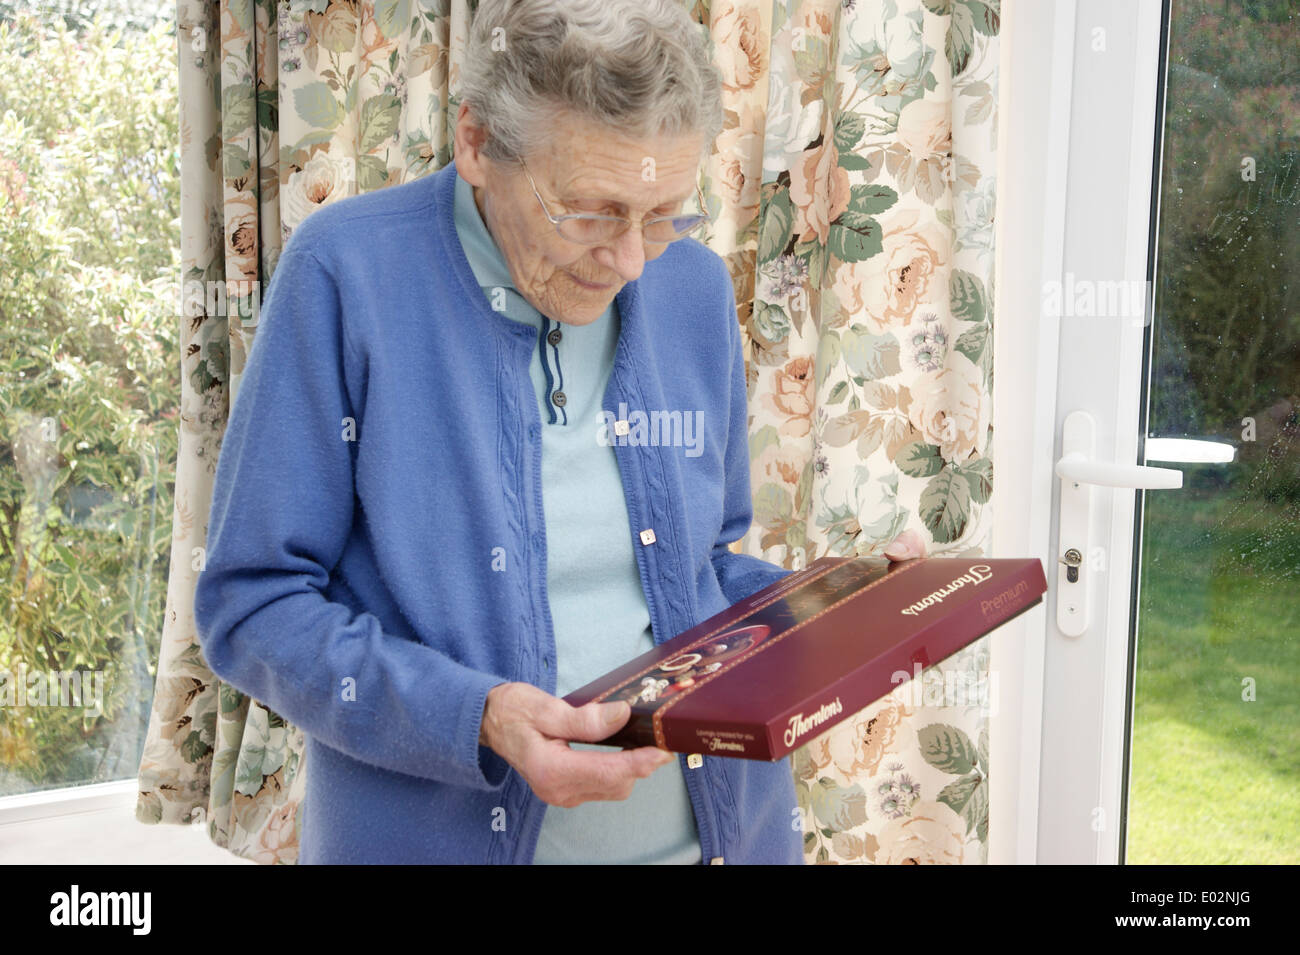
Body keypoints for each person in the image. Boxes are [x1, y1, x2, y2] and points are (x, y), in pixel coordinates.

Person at [194, 0, 925, 864]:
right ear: (475, 144)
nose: (629, 261)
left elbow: (703, 571)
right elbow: (254, 604)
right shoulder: (345, 275)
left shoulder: (686, 286)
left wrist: (817, 605)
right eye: (590, 210)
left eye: (663, 213)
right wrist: (478, 717)